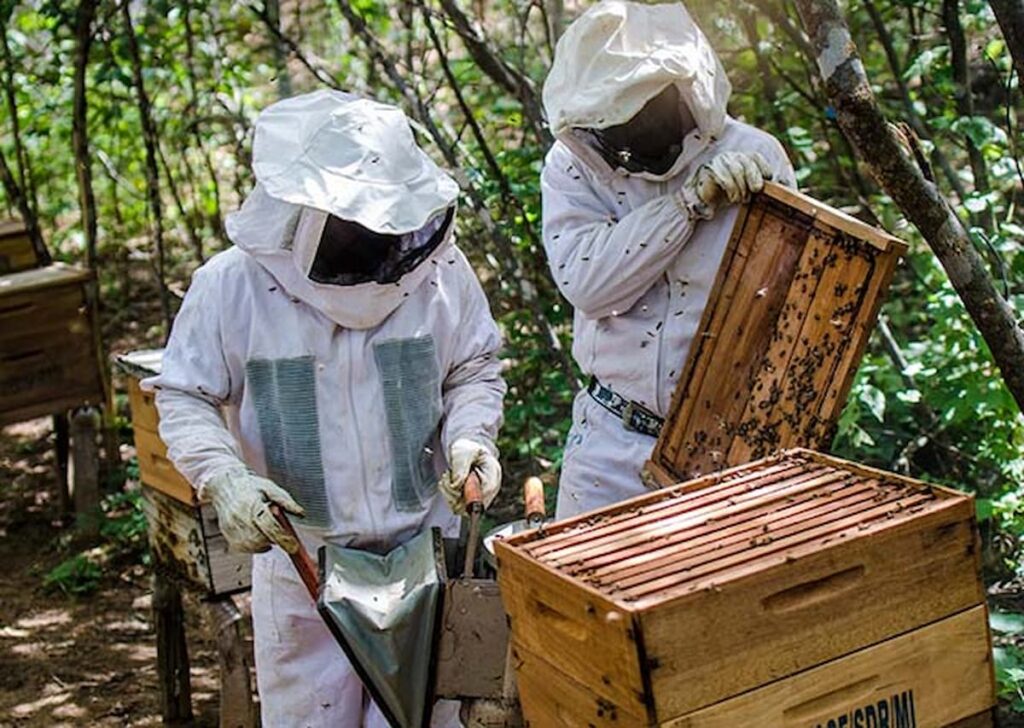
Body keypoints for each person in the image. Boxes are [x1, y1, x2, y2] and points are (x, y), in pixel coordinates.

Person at [143, 90, 505, 727]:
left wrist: (471, 439)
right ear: (303, 214)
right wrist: (224, 481)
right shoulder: (232, 287)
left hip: (430, 561)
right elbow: (185, 394)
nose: (373, 238)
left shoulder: (441, 274)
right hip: (304, 568)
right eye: (354, 223)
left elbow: (472, 369)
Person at [541, 1, 796, 519]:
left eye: (641, 111)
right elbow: (588, 283)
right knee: (585, 597)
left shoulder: (757, 154)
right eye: (615, 119)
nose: (630, 131)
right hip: (609, 444)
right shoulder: (574, 166)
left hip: (730, 450)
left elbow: (795, 312)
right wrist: (687, 206)